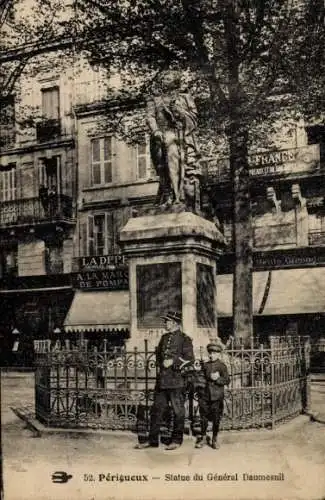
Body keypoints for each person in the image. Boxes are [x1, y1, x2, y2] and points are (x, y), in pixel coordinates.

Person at [135, 311, 194, 450]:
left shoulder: (185, 339)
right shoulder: (164, 337)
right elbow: (158, 356)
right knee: (156, 410)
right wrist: (161, 366)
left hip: (177, 380)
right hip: (162, 381)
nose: (165, 323)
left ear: (174, 323)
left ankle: (176, 440)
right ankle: (153, 440)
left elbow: (190, 359)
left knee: (178, 411)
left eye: (167, 321)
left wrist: (173, 362)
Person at [147, 72, 201, 209]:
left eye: (168, 78)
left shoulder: (185, 97)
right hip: (159, 135)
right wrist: (155, 130)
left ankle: (176, 195)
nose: (164, 81)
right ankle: (167, 194)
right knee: (160, 166)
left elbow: (194, 118)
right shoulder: (154, 99)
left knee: (172, 156)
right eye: (163, 79)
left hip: (177, 134)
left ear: (175, 82)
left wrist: (180, 112)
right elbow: (150, 117)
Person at [194, 342, 230, 450]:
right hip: (204, 395)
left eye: (214, 353)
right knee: (203, 418)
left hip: (216, 396)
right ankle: (204, 437)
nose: (211, 355)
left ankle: (214, 439)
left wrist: (218, 379)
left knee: (216, 418)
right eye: (210, 353)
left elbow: (227, 380)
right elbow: (200, 378)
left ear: (219, 354)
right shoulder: (205, 365)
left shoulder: (222, 366)